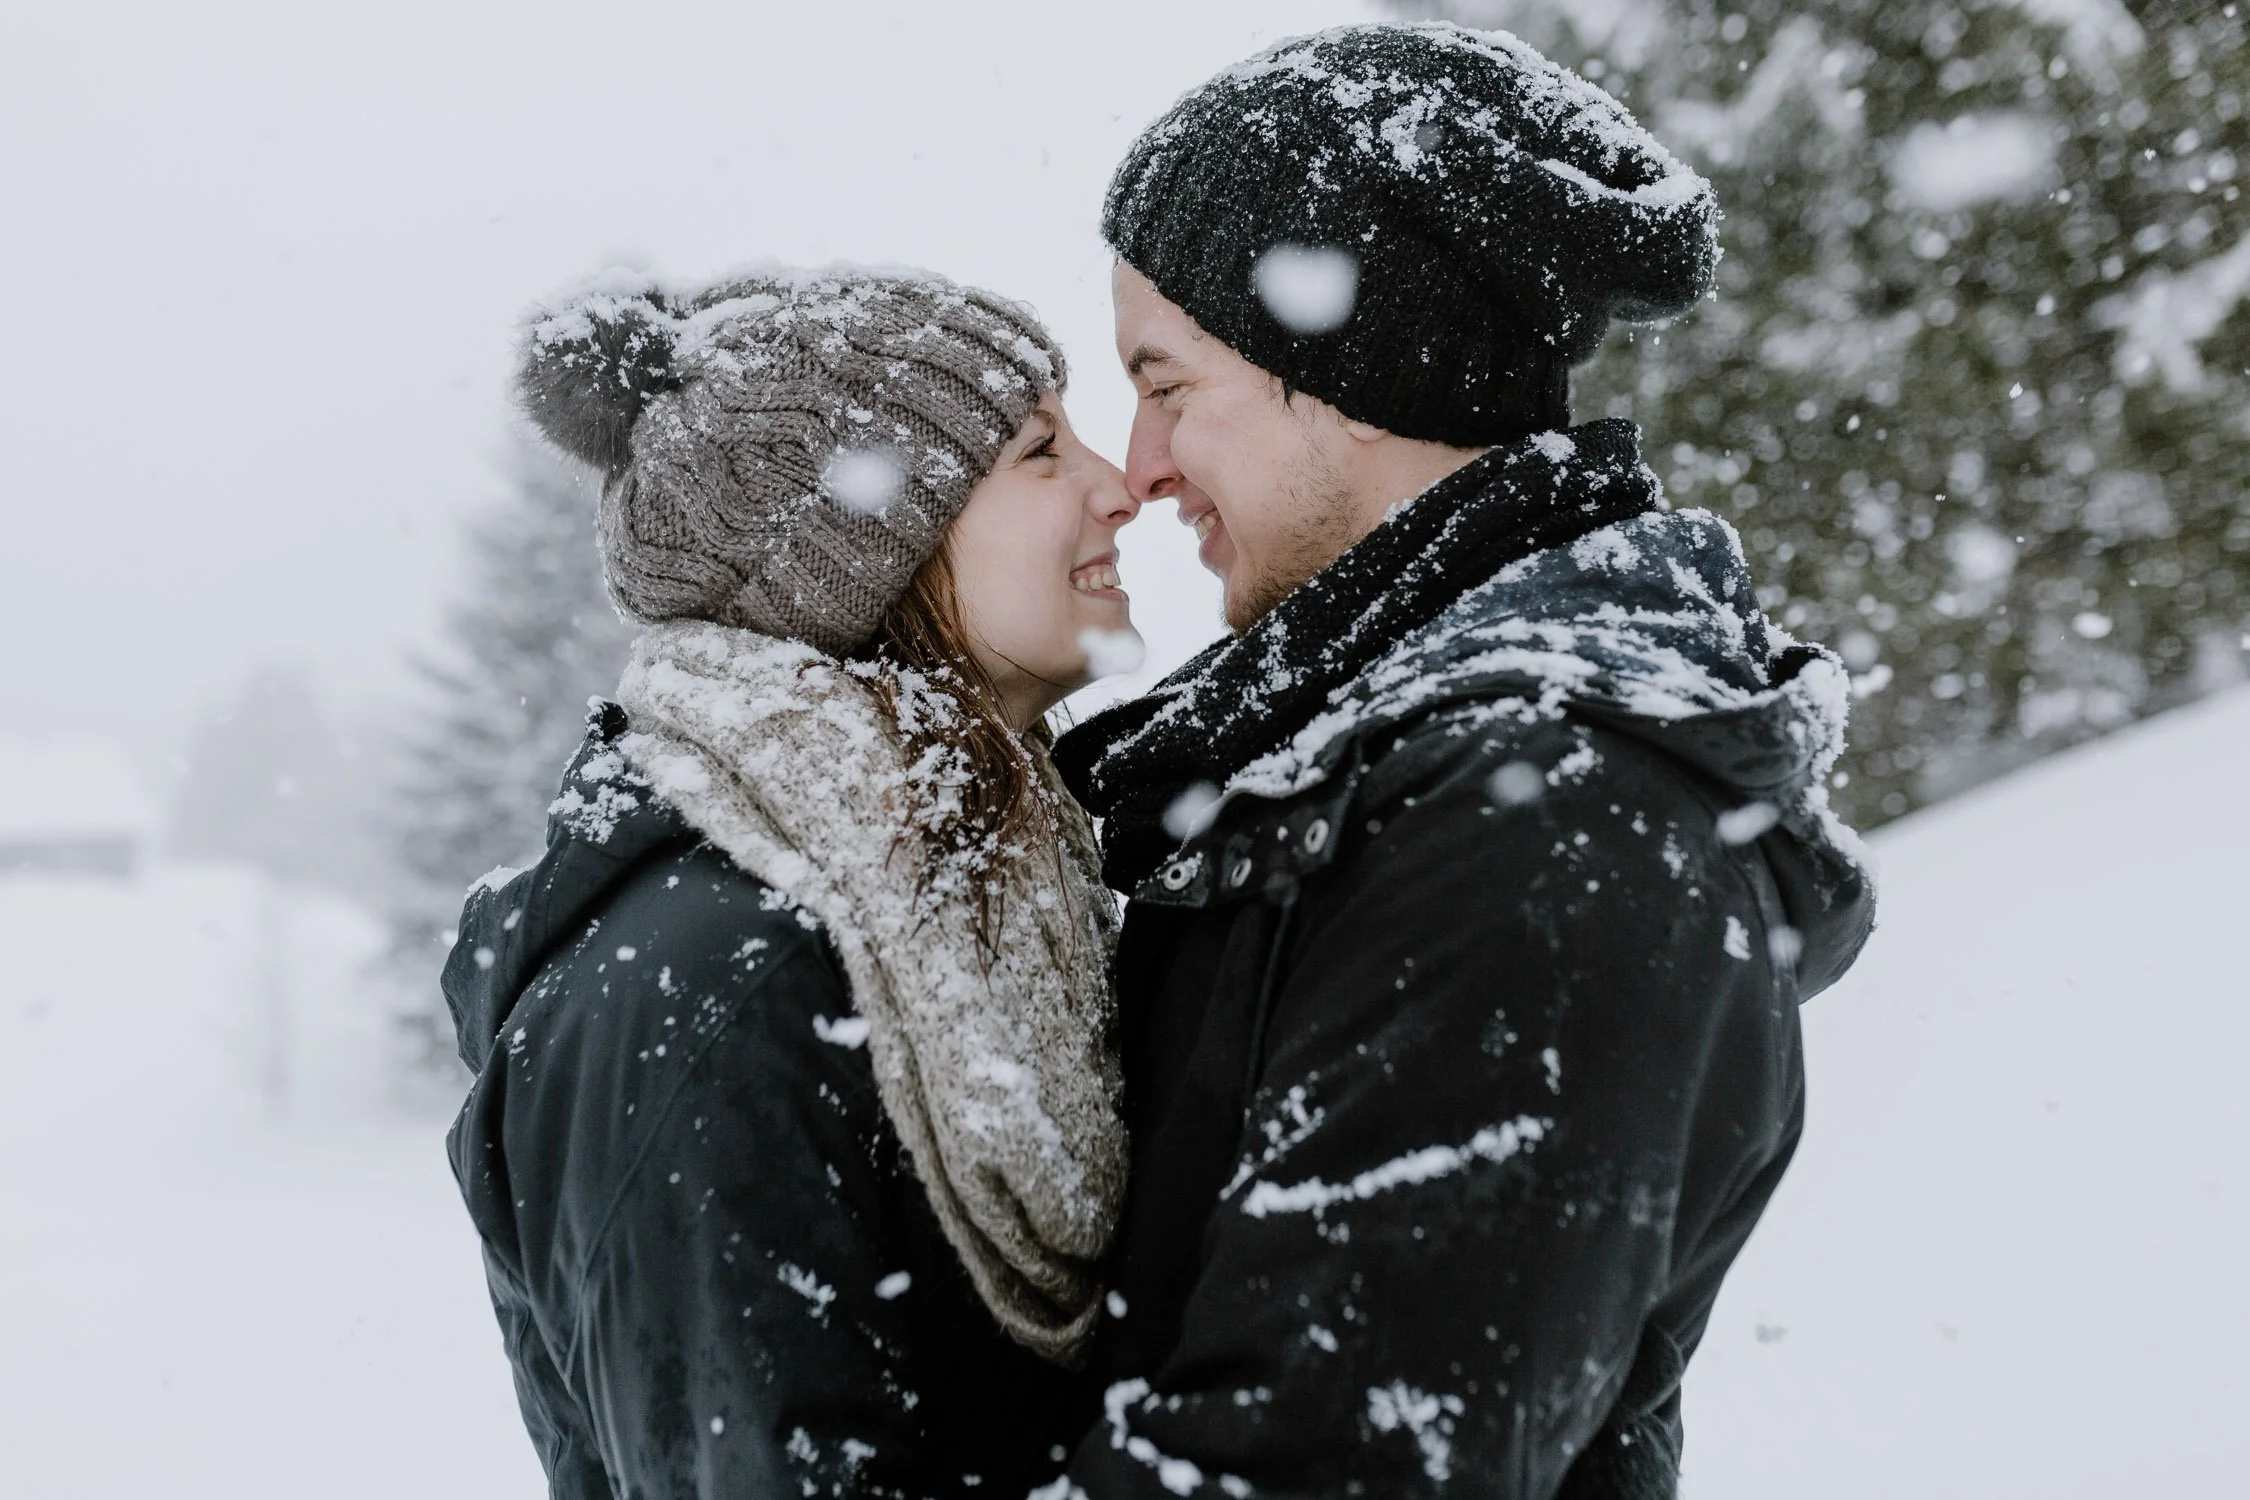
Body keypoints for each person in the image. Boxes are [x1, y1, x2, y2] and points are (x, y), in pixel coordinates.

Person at [1045, 24, 1876, 1498]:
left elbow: (1311, 1466)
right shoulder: (1354, 766)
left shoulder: (1542, 815)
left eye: (1167, 383)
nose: (1144, 465)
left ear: (1354, 370)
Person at [444, 267, 1142, 1499]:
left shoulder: (1001, 887)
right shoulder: (701, 983)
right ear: (867, 557)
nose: (1119, 487)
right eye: (1041, 453)